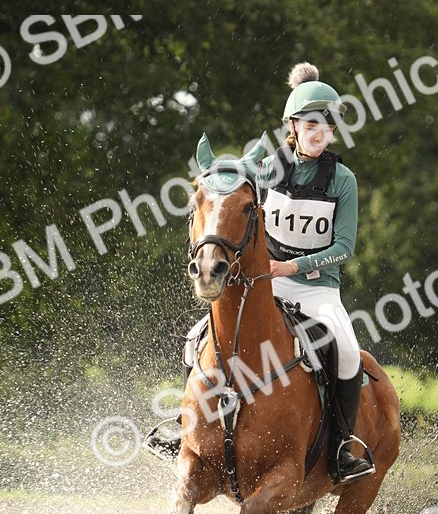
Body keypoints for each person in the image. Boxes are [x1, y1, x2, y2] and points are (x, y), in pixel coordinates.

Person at [146, 61, 374, 483]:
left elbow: (343, 247)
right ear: (293, 127)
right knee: (197, 339)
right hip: (262, 284)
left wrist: (291, 265)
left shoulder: (343, 180)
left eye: (327, 126)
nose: (319, 133)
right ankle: (184, 429)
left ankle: (341, 448)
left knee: (345, 351)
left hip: (316, 289)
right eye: (311, 124)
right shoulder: (268, 170)